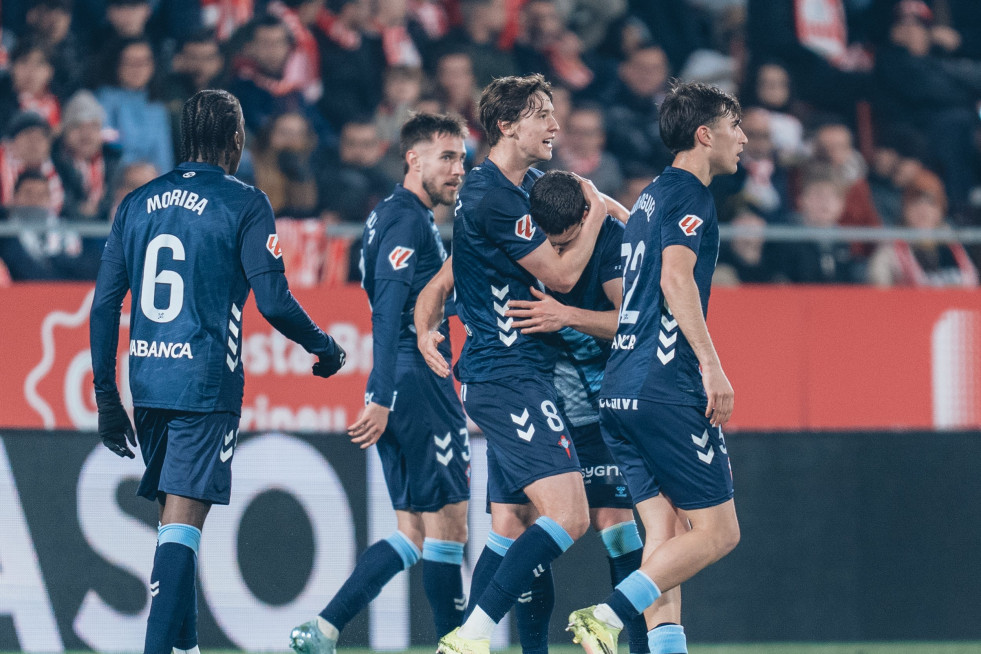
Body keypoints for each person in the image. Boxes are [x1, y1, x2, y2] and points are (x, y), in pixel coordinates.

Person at [88, 89, 346, 654]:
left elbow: (105, 304)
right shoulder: (244, 202)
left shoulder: (136, 201)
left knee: (174, 519)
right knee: (183, 521)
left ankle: (185, 648)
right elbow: (274, 301)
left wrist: (107, 396)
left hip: (148, 379)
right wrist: (324, 346)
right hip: (204, 379)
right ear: (236, 140)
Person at [417, 73, 608, 654]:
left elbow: (447, 276)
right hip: (506, 376)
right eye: (542, 114)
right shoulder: (488, 194)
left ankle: (511, 645)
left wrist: (425, 322)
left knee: (513, 528)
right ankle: (473, 634)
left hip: (523, 374)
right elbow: (564, 276)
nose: (555, 125)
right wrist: (597, 208)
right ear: (506, 124)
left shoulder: (529, 187)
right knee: (571, 516)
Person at [567, 80, 745, 654]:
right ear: (704, 133)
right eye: (734, 125)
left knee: (663, 535)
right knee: (719, 533)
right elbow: (675, 279)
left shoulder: (649, 198)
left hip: (618, 387)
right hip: (665, 385)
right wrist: (712, 366)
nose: (742, 138)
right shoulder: (691, 194)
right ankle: (607, 613)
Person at [287, 112, 472, 654]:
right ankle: (452, 646)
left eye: (462, 158)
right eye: (447, 157)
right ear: (413, 159)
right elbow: (390, 312)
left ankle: (324, 628)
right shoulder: (406, 222)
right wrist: (382, 395)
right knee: (450, 529)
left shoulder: (391, 215)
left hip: (401, 384)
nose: (458, 169)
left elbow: (412, 299)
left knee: (412, 533)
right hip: (415, 385)